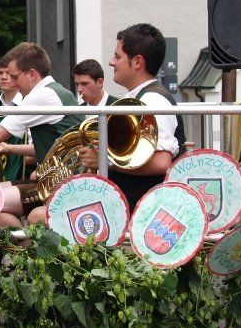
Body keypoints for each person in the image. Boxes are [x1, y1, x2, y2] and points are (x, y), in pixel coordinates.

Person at [0, 42, 82, 227]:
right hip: (59, 182)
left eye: (15, 77)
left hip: (61, 187)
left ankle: (24, 244)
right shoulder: (60, 92)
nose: (14, 83)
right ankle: (23, 243)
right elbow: (50, 147)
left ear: (32, 74)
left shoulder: (42, 95)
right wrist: (11, 149)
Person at [79, 23, 185, 208]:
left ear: (137, 62)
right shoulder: (139, 98)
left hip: (144, 207)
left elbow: (161, 163)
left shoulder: (153, 100)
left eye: (117, 56)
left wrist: (104, 162)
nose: (111, 62)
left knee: (40, 215)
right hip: (135, 203)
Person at [0, 56, 27, 182]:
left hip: (20, 167)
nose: (3, 77)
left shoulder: (27, 100)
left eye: (8, 73)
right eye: (0, 73)